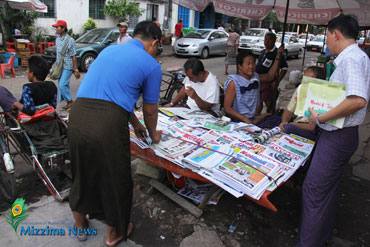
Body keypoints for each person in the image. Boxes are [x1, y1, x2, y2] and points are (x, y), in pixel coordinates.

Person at [68, 21, 162, 246]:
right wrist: (152, 133)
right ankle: (115, 234)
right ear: (155, 42)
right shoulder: (151, 65)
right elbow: (150, 110)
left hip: (78, 115)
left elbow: (112, 90)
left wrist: (134, 123)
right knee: (116, 178)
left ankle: (81, 227)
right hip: (108, 122)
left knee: (81, 171)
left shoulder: (110, 49)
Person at [297, 15, 370, 247]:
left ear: (335, 34)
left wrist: (321, 117)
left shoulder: (350, 60)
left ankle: (307, 242)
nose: (326, 41)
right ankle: (321, 236)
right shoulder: (356, 57)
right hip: (342, 135)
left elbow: (358, 100)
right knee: (327, 189)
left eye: (326, 36)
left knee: (314, 190)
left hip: (337, 136)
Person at [223, 48, 284, 128]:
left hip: (251, 118)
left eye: (253, 63)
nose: (251, 66)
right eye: (248, 64)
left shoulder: (255, 77)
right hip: (238, 120)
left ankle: (256, 120)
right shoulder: (234, 82)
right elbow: (227, 108)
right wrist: (245, 119)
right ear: (240, 66)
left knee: (279, 121)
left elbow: (270, 76)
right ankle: (255, 121)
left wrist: (278, 56)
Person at [279, 66, 325, 141]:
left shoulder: (323, 96)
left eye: (310, 80)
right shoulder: (301, 89)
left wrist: (294, 125)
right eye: (304, 79)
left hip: (311, 130)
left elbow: (314, 127)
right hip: (296, 124)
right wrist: (284, 122)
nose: (306, 82)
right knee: (271, 120)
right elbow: (288, 111)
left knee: (289, 128)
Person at [255, 32, 288, 114]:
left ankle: (272, 117)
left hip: (269, 83)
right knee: (258, 102)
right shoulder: (263, 52)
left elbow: (284, 68)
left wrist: (277, 81)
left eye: (269, 39)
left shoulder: (277, 53)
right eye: (265, 39)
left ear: (274, 41)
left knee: (269, 103)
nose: (267, 41)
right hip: (259, 81)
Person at [52, 20, 80, 110]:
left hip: (68, 66)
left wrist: (76, 70)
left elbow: (73, 56)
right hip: (60, 66)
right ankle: (68, 103)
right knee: (63, 84)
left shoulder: (70, 40)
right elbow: (58, 54)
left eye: (57, 27)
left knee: (62, 85)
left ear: (63, 28)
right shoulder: (58, 39)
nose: (56, 29)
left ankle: (70, 101)